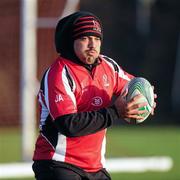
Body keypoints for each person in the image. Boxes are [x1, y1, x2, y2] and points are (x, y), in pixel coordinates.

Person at [32, 11, 156, 180]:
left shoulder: (108, 66)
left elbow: (135, 86)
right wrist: (115, 112)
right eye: (85, 38)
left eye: (97, 39)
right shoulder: (59, 73)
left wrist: (146, 99)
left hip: (95, 166)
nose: (93, 45)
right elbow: (68, 125)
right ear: (70, 42)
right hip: (57, 163)